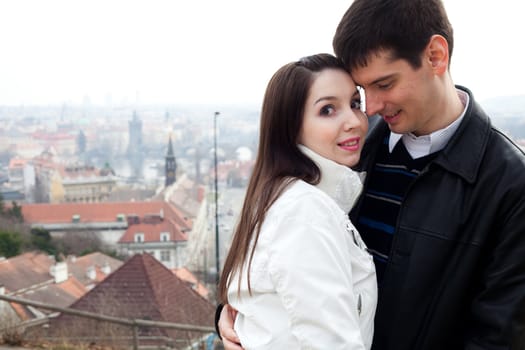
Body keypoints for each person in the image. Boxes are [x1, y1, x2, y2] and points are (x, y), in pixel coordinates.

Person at [218, 0, 525, 349]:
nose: (372, 107)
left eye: (384, 84)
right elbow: (277, 250)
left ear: (436, 56)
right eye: (363, 93)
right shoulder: (349, 147)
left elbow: (497, 337)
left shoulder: (509, 183)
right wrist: (239, 316)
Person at [217, 53, 377, 349]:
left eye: (355, 104)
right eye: (328, 109)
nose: (354, 121)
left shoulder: (284, 195)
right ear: (291, 128)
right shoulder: (305, 211)